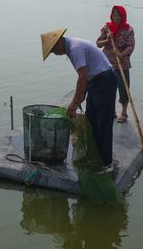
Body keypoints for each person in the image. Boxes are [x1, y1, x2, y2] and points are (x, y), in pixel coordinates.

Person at [41, 28, 117, 173]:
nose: (55, 54)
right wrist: (79, 98)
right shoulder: (71, 47)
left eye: (53, 51)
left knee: (103, 123)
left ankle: (106, 164)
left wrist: (74, 103)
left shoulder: (75, 49)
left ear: (58, 44)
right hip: (95, 81)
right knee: (91, 121)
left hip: (105, 81)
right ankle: (95, 157)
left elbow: (82, 77)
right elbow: (86, 77)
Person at [96, 6, 136, 123]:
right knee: (108, 88)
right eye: (114, 15)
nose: (116, 18)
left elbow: (130, 46)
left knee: (123, 88)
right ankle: (111, 111)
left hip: (122, 64)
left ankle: (123, 112)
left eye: (118, 16)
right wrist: (107, 40)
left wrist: (120, 54)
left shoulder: (128, 30)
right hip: (107, 63)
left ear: (123, 17)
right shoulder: (107, 28)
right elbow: (98, 43)